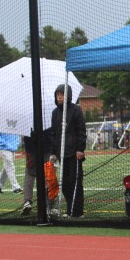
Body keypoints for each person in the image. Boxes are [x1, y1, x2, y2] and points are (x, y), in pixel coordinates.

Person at [49, 84, 87, 217]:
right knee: (65, 183)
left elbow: (81, 130)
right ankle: (70, 208)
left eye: (62, 94)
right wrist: (53, 152)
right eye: (58, 95)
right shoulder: (55, 113)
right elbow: (54, 133)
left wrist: (80, 149)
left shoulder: (76, 110)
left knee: (75, 181)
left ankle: (78, 211)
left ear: (68, 95)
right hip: (61, 154)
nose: (60, 97)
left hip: (74, 153)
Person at [21, 127, 51, 215]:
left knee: (30, 174)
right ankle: (47, 203)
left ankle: (27, 201)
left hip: (32, 145)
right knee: (47, 174)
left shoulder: (27, 119)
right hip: (46, 144)